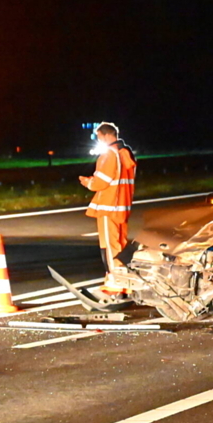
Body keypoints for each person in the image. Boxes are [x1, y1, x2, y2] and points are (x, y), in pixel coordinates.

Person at [79, 122, 136, 295]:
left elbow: (101, 182)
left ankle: (116, 283)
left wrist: (88, 182)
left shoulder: (109, 154)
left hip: (108, 207)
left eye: (98, 137)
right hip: (122, 206)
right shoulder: (125, 153)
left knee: (110, 246)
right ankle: (126, 279)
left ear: (104, 135)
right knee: (121, 244)